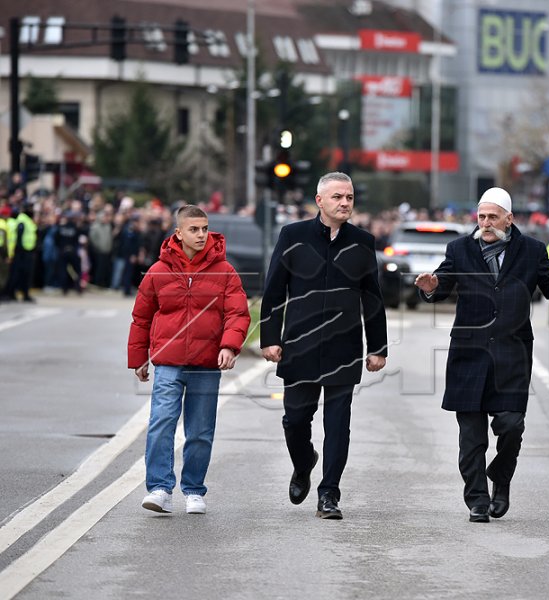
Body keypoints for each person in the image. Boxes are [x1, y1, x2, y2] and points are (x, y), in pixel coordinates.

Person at [414, 187, 549, 522]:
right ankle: (477, 500)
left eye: (492, 217)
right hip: (468, 355)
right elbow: (444, 280)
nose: (485, 224)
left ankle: (500, 481)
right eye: (482, 217)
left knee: (511, 425)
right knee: (471, 438)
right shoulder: (459, 248)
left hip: (511, 356)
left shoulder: (531, 250)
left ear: (509, 219)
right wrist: (432, 286)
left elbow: (547, 279)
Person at [260, 171, 387, 520]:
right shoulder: (293, 235)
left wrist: (378, 347)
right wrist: (269, 338)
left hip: (343, 349)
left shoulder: (363, 242)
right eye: (337, 197)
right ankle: (303, 464)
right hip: (299, 346)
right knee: (295, 420)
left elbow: (372, 298)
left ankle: (329, 494)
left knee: (338, 424)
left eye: (348, 197)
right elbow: (273, 291)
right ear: (320, 201)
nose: (345, 202)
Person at [127, 205, 250, 514]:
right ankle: (159, 488)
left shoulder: (225, 272)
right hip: (168, 363)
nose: (201, 234)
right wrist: (139, 358)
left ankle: (193, 489)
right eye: (194, 229)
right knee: (161, 423)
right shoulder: (157, 272)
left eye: (204, 229)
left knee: (199, 431)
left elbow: (237, 314)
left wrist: (230, 346)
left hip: (207, 365)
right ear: (178, 233)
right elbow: (141, 318)